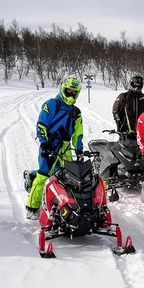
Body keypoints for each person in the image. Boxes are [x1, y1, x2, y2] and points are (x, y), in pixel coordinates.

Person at [26, 77, 85, 219]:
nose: (71, 94)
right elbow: (41, 124)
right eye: (68, 91)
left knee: (66, 176)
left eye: (74, 92)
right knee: (44, 175)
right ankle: (32, 207)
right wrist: (44, 142)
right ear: (63, 89)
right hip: (50, 143)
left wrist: (79, 149)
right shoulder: (51, 105)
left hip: (65, 147)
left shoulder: (76, 112)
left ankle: (66, 206)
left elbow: (78, 133)